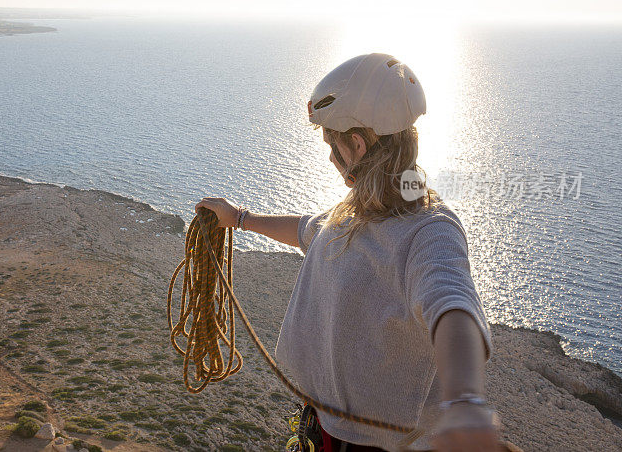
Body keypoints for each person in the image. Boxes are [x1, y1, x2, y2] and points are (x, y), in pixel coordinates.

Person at [195, 53, 500, 452]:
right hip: (326, 430)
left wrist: (465, 403)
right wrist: (239, 218)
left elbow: (452, 306)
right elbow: (309, 231)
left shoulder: (430, 229)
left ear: (356, 145)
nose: (329, 156)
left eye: (331, 142)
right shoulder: (357, 213)